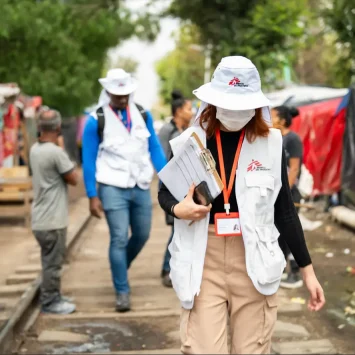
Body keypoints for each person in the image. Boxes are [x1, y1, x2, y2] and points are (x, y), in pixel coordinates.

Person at [158, 56, 325, 354]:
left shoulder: (272, 144)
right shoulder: (192, 141)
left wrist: (308, 271)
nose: (236, 113)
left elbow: (284, 211)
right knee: (203, 348)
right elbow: (164, 192)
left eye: (242, 106)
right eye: (229, 104)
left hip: (254, 257)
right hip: (203, 256)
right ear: (213, 102)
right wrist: (177, 210)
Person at [82, 69, 166, 312]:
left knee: (142, 234)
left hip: (140, 185)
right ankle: (122, 290)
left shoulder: (142, 114)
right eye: (117, 95)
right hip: (111, 186)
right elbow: (88, 159)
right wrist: (91, 194)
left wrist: (167, 178)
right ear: (108, 92)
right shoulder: (95, 119)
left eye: (126, 94)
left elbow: (154, 149)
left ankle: (119, 266)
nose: (122, 98)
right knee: (118, 237)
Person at [30, 109, 78, 314]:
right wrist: (62, 149)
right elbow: (73, 178)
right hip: (53, 220)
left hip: (40, 218)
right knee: (53, 265)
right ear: (58, 128)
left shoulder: (34, 149)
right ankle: (50, 302)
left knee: (48, 261)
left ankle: (54, 295)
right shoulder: (56, 153)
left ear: (40, 127)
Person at [158, 90, 193, 287]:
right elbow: (163, 160)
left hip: (188, 187)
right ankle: (166, 268)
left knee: (182, 229)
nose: (191, 112)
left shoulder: (187, 130)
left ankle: (175, 267)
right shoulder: (166, 131)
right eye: (189, 109)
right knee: (176, 230)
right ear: (179, 111)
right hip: (172, 188)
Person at [271, 106, 304, 289]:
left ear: (282, 120)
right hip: (278, 195)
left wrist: (285, 194)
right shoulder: (277, 138)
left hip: (289, 195)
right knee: (280, 236)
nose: (270, 119)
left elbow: (294, 169)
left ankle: (296, 273)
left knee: (290, 233)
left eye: (273, 116)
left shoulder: (293, 139)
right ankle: (283, 271)